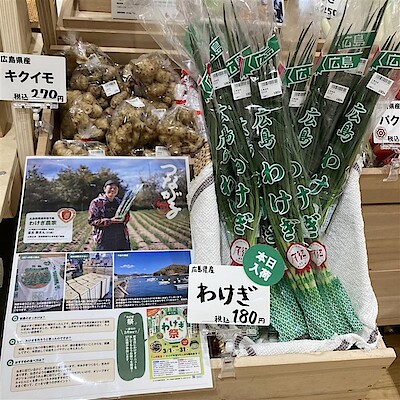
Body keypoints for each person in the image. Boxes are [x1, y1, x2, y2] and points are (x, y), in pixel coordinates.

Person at [88, 179, 131, 251]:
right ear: (104, 189)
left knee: (124, 257)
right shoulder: (96, 202)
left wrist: (126, 216)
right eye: (110, 187)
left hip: (121, 239)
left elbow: (125, 219)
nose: (113, 190)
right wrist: (110, 221)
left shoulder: (120, 202)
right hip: (104, 240)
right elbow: (92, 221)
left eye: (115, 188)